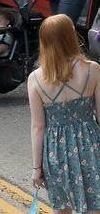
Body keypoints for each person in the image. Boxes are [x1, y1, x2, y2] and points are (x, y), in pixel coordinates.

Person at [28, 14, 100, 213]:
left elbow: (38, 127)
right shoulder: (92, 70)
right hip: (91, 146)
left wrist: (37, 168)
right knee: (94, 204)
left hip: (55, 151)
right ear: (71, 36)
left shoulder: (35, 79)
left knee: (62, 207)